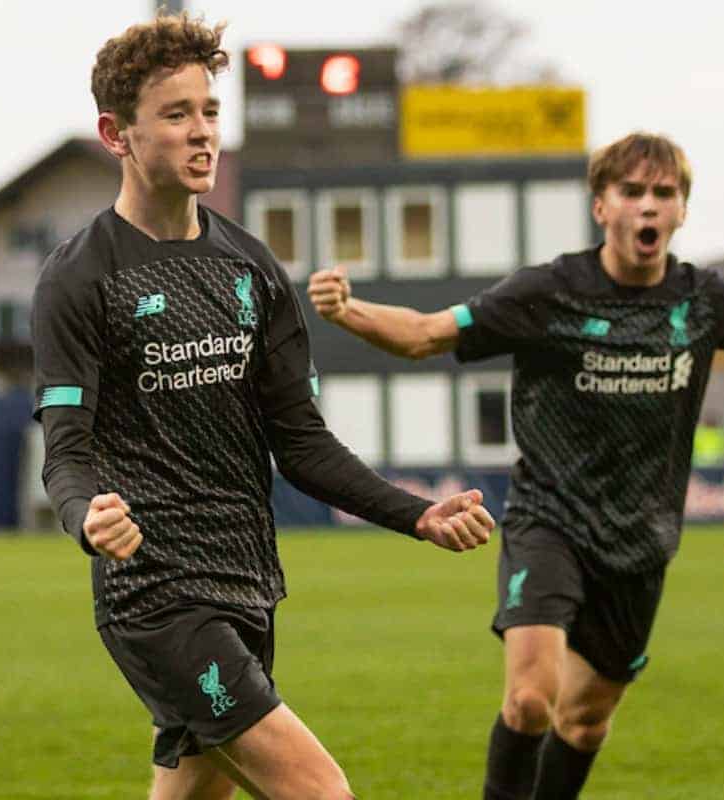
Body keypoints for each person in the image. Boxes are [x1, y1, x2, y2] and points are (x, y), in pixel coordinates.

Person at [306, 132, 724, 799]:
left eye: (664, 193)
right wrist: (350, 310)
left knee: (586, 719)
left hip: (642, 540)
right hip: (551, 521)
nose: (649, 205)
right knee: (530, 699)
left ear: (683, 211)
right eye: (631, 191)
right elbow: (426, 335)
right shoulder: (549, 291)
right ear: (601, 206)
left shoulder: (707, 301)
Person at [31, 14, 495, 800]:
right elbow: (66, 452)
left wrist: (416, 514)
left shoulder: (249, 265)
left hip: (248, 582)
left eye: (209, 111)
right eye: (176, 115)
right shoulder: (79, 278)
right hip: (156, 596)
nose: (202, 132)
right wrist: (86, 518)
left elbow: (304, 444)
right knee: (323, 793)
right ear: (117, 133)